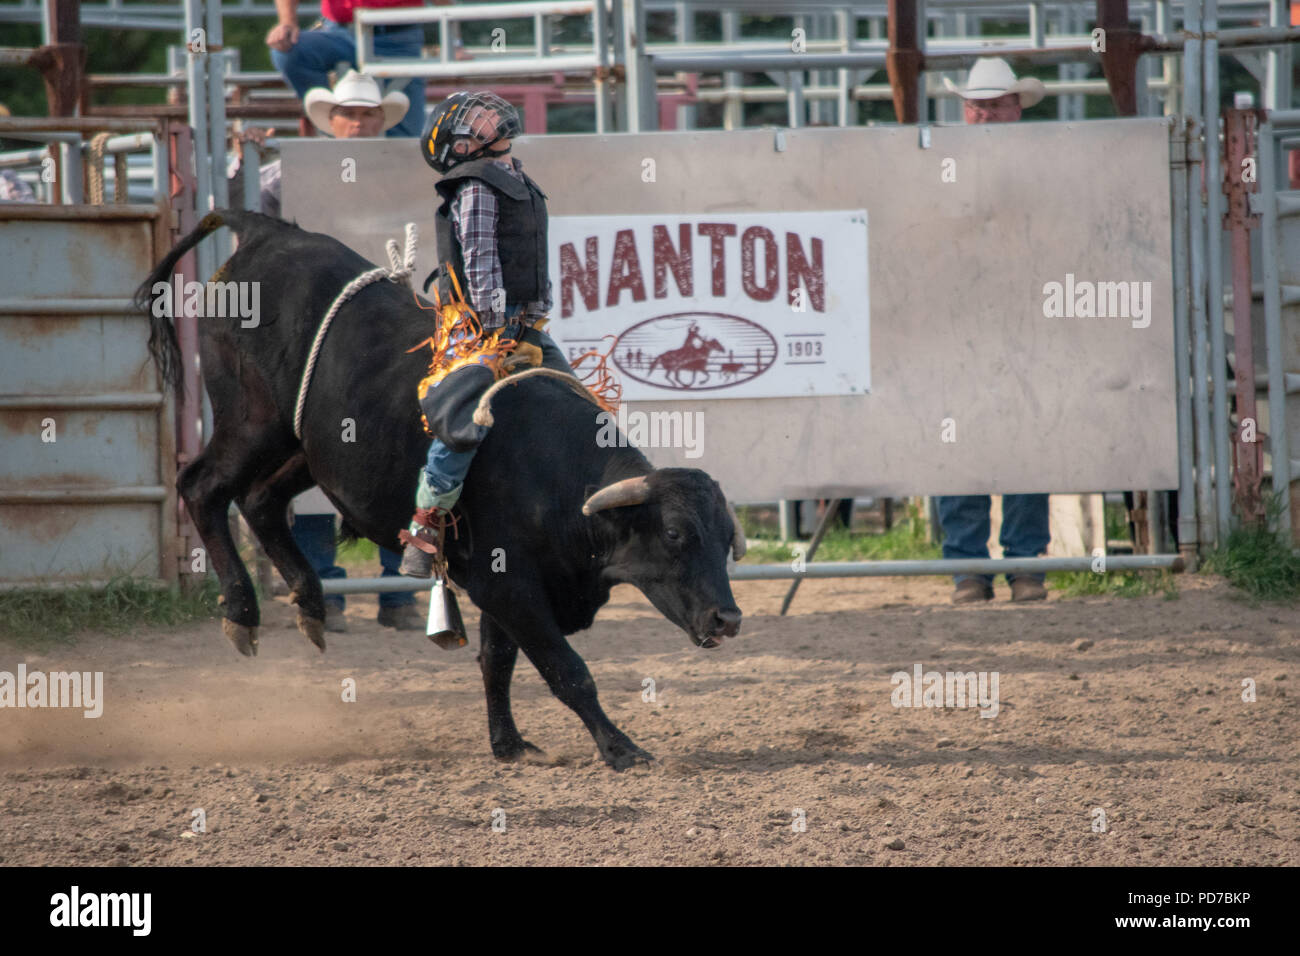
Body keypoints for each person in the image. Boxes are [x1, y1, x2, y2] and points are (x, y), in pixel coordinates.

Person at [399, 91, 571, 577]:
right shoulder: (475, 185)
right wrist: (498, 332)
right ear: (461, 150)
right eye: (471, 123)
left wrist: (534, 322)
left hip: (523, 323)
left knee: (579, 403)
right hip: (483, 328)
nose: (485, 117)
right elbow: (480, 260)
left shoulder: (515, 178)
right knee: (460, 423)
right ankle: (426, 523)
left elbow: (533, 256)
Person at [937, 57, 1051, 605]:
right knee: (962, 442)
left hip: (1026, 322)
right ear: (965, 112)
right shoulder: (940, 166)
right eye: (977, 106)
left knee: (1023, 440)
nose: (985, 115)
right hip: (957, 324)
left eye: (996, 105)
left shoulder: (1042, 167)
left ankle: (1021, 563)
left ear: (1016, 109)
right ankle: (969, 568)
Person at [228, 69, 408, 218]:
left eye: (368, 114)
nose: (358, 122)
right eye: (348, 114)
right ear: (332, 120)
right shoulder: (302, 165)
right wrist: (246, 162)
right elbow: (229, 203)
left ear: (381, 120)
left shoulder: (400, 168)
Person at [266, 0, 426, 138]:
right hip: (340, 30)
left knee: (406, 145)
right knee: (289, 51)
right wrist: (287, 22)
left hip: (398, 33)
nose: (358, 123)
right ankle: (332, 128)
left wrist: (452, 36)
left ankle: (338, 126)